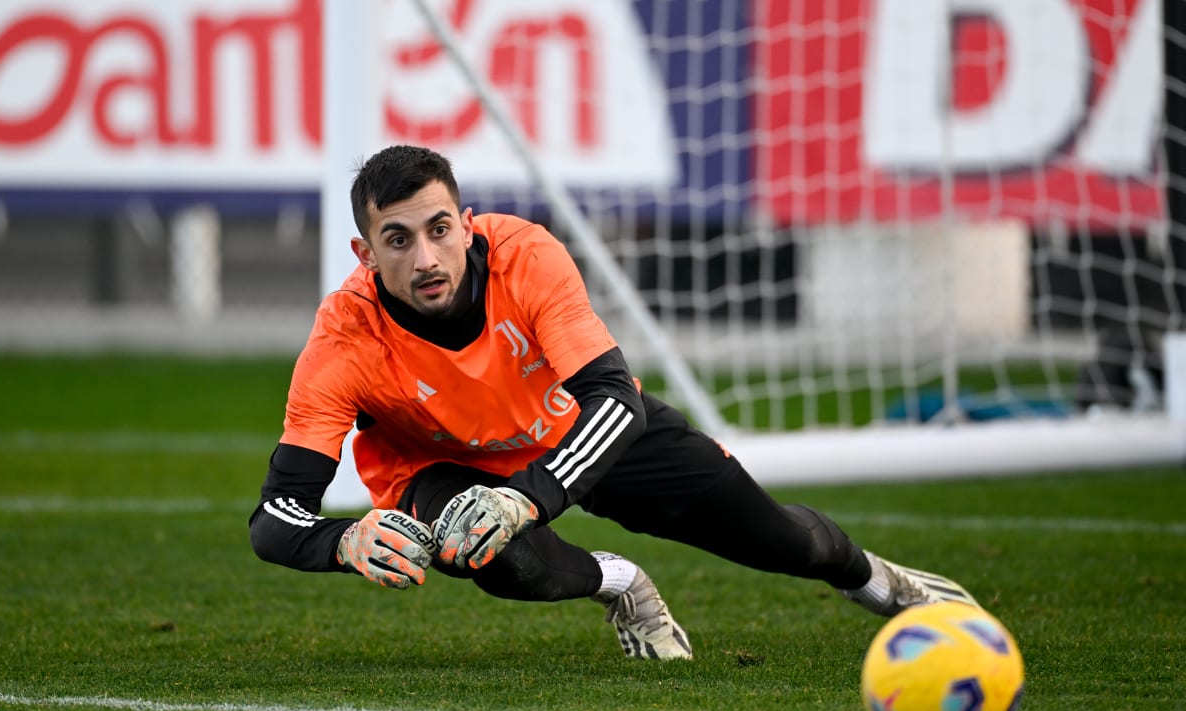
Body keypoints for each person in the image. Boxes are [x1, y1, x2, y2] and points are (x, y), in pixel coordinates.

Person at [249, 144, 978, 660]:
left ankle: (884, 584)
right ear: (365, 254)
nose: (427, 258)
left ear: (466, 223)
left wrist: (526, 498)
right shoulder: (344, 338)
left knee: (786, 543)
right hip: (446, 469)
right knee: (481, 549)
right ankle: (622, 584)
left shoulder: (526, 256)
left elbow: (614, 399)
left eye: (439, 230)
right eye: (397, 240)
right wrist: (341, 542)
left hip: (577, 435)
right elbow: (275, 519)